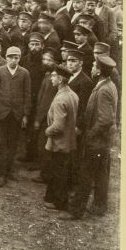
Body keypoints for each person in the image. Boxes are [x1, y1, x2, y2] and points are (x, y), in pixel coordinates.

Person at [64, 54, 119, 220]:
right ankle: (99, 206)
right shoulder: (109, 85)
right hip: (103, 141)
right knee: (101, 174)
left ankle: (76, 211)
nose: (93, 67)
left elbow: (105, 119)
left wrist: (90, 135)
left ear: (99, 71)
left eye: (95, 65)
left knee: (86, 174)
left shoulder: (103, 90)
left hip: (96, 141)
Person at [0, 45, 32, 187]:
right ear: (6, 58)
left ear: (20, 58)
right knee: (0, 143)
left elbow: (27, 94)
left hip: (16, 114)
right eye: (11, 57)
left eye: (17, 57)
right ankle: (1, 174)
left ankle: (9, 169)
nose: (14, 60)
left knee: (13, 143)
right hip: (1, 113)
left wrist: (25, 114)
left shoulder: (24, 73)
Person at [42, 64, 79, 211]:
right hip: (69, 142)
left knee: (58, 172)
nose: (51, 78)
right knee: (62, 171)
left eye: (54, 76)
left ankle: (58, 202)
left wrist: (47, 131)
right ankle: (53, 199)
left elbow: (58, 126)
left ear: (61, 79)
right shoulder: (72, 95)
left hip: (59, 143)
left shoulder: (60, 99)